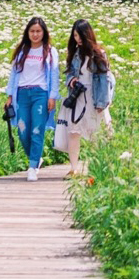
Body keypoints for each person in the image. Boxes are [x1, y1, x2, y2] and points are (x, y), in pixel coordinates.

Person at [56, 18, 115, 176]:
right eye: (75, 36)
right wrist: (71, 81)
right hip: (78, 97)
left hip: (95, 97)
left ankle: (97, 167)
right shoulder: (75, 54)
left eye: (80, 35)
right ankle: (74, 168)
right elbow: (69, 74)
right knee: (73, 132)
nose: (78, 39)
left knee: (96, 133)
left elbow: (105, 79)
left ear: (88, 34)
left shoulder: (99, 54)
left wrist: (102, 103)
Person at [3, 16, 58, 181]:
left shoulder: (50, 51)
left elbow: (54, 75)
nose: (35, 34)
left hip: (41, 93)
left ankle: (32, 166)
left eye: (38, 31)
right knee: (22, 130)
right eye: (32, 31)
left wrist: (52, 97)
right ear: (27, 33)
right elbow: (13, 74)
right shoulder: (21, 51)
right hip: (22, 94)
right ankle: (36, 157)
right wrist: (9, 95)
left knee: (37, 130)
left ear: (44, 33)